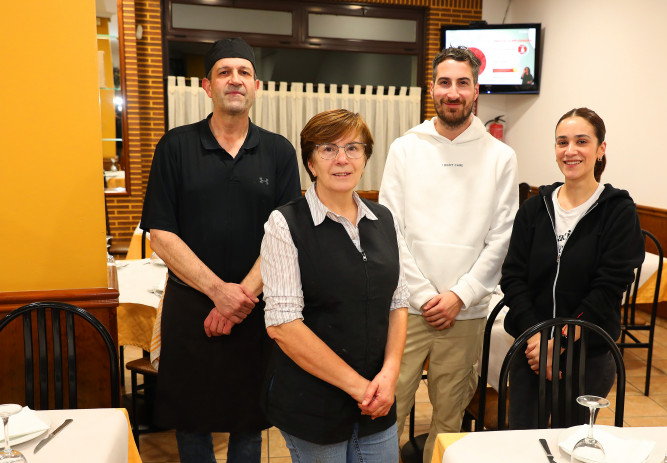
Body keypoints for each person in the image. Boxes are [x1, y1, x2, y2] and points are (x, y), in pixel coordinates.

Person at [140, 37, 301, 462]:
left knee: (249, 421)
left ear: (256, 86)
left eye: (244, 72)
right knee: (190, 421)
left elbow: (282, 236)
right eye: (224, 72)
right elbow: (161, 234)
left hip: (254, 308)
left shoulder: (279, 152)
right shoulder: (175, 147)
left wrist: (239, 299)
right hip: (192, 307)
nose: (235, 80)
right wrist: (219, 293)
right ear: (207, 86)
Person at [379, 46, 519, 462]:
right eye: (445, 82)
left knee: (450, 416)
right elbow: (391, 230)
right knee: (390, 410)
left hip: (466, 311)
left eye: (462, 83)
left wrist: (460, 295)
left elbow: (502, 237)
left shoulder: (500, 157)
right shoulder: (406, 148)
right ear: (432, 89)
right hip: (407, 306)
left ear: (476, 90)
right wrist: (424, 296)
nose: (453, 92)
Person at [261, 109, 409, 463]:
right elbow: (283, 326)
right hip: (313, 406)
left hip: (378, 400)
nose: (342, 159)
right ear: (311, 162)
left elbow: (398, 303)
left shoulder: (384, 219)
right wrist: (361, 388)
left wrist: (389, 376)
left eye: (353, 148)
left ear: (365, 158)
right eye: (328, 149)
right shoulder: (284, 224)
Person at [500, 107, 645, 429]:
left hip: (587, 356)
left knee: (574, 446)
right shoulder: (535, 208)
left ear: (600, 149)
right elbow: (513, 277)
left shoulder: (618, 211)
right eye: (562, 142)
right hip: (530, 354)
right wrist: (538, 338)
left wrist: (561, 341)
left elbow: (608, 287)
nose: (571, 151)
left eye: (582, 141)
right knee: (522, 446)